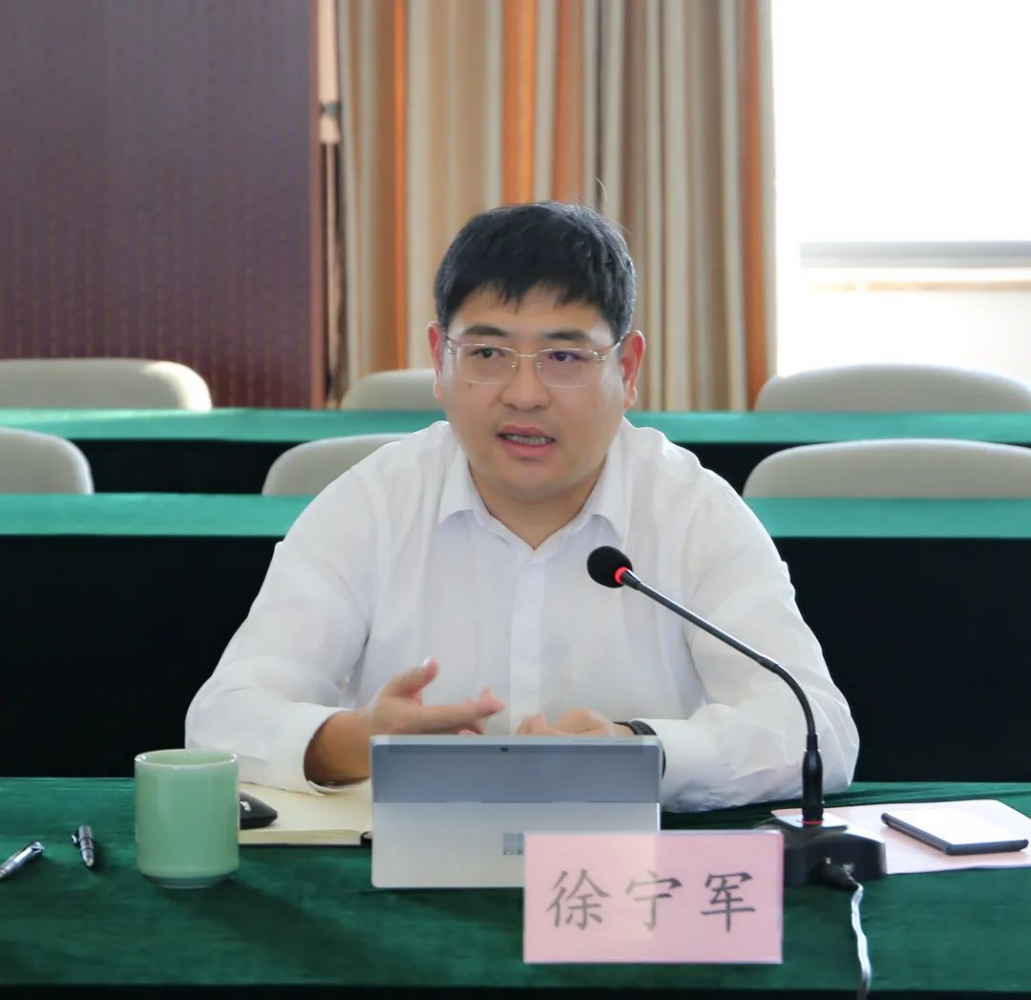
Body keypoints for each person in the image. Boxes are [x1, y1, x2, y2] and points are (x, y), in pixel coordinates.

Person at [186, 201, 858, 811]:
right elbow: (222, 717)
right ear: (439, 362)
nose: (524, 393)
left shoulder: (694, 513)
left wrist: (639, 752)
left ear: (626, 370)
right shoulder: (371, 504)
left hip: (625, 886)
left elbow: (818, 732)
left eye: (564, 356)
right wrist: (354, 742)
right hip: (408, 875)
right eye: (487, 352)